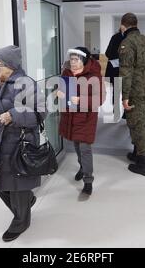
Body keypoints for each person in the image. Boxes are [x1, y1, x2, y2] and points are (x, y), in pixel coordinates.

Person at [0, 45, 46, 242]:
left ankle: (21, 221)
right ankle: (26, 203)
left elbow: (41, 111)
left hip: (20, 142)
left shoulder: (26, 84)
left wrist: (14, 115)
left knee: (17, 184)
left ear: (10, 65)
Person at [57, 47, 105, 199]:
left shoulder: (94, 75)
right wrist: (60, 93)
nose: (72, 62)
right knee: (76, 144)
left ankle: (88, 180)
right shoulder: (66, 73)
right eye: (71, 59)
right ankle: (82, 167)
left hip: (86, 117)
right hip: (71, 115)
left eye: (76, 60)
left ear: (83, 60)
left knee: (84, 147)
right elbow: (62, 90)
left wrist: (81, 100)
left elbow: (100, 99)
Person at [119, 13, 145, 177]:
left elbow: (125, 72)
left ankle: (144, 164)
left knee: (137, 125)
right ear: (136, 24)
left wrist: (125, 96)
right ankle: (136, 153)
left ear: (123, 26)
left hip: (136, 90)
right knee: (140, 121)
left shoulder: (127, 43)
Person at [105, 26, 126, 120]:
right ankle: (116, 110)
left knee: (127, 91)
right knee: (117, 90)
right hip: (116, 68)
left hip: (128, 70)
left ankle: (126, 112)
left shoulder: (131, 37)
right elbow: (108, 53)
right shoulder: (115, 37)